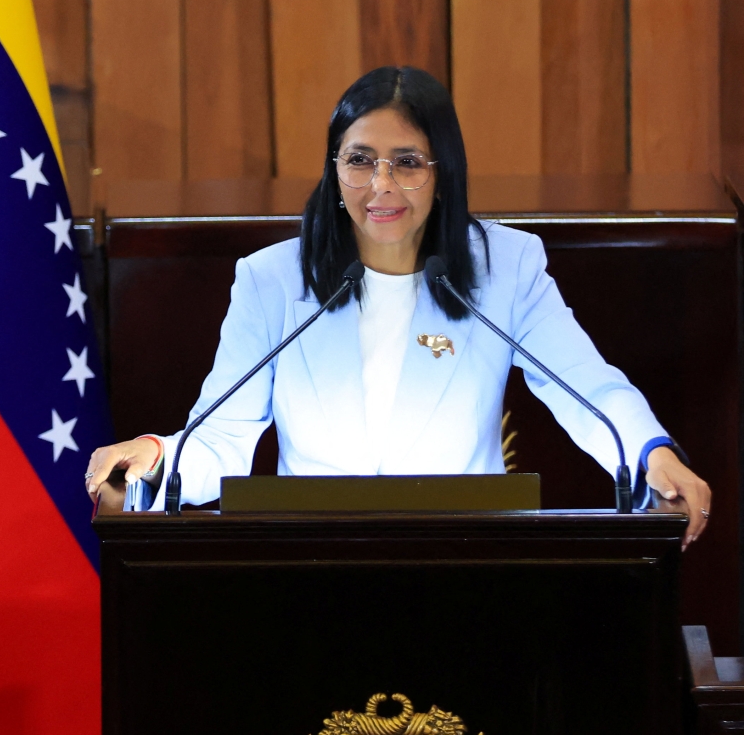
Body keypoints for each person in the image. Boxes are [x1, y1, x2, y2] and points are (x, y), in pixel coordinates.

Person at [86, 67, 710, 546]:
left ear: (444, 174)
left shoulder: (506, 268)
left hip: (470, 560)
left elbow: (589, 391)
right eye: (359, 161)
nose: (380, 185)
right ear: (335, 171)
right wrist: (153, 459)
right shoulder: (271, 279)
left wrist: (653, 455)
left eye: (407, 163)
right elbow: (220, 438)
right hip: (312, 565)